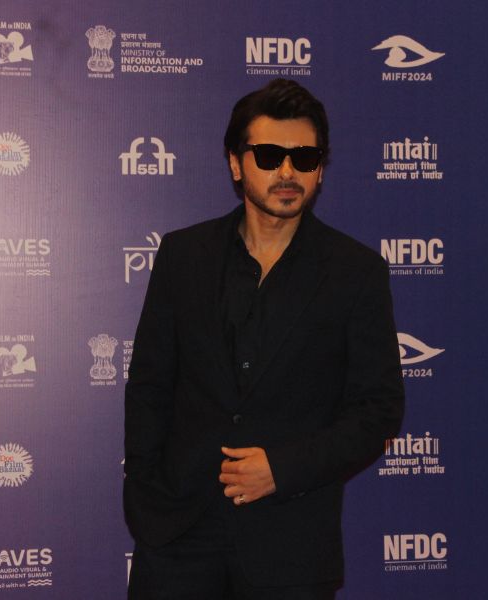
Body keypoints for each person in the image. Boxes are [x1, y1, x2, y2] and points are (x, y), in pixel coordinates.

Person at [124, 78, 404, 599]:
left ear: (321, 169)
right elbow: (149, 386)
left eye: (305, 158)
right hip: (177, 535)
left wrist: (282, 469)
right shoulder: (183, 256)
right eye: (271, 155)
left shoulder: (355, 272)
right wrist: (145, 496)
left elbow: (378, 410)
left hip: (291, 542)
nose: (287, 172)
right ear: (236, 163)